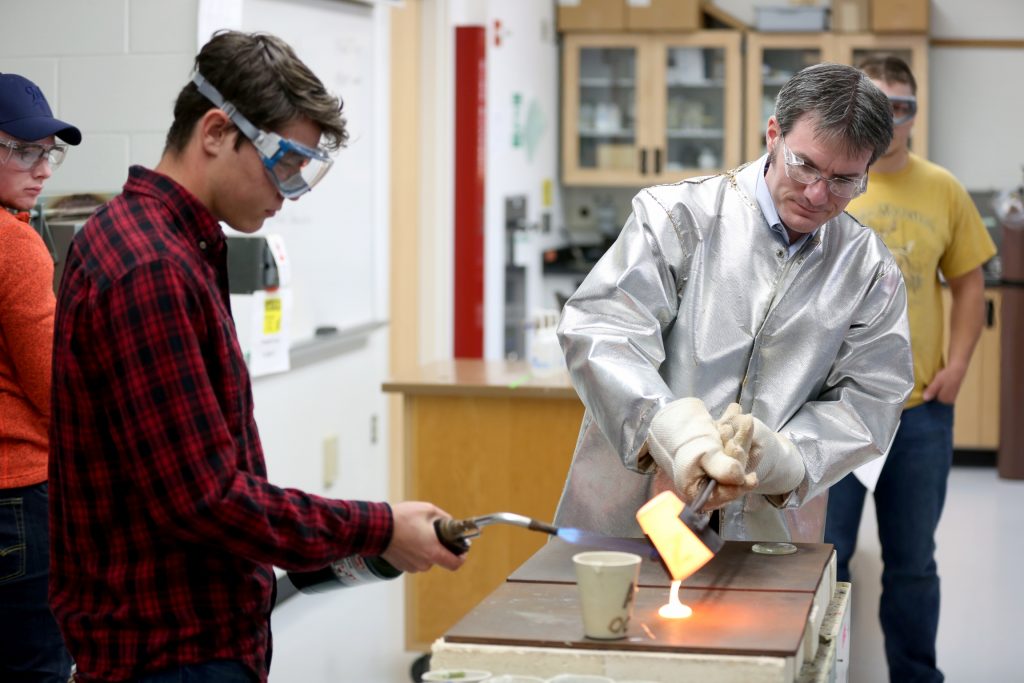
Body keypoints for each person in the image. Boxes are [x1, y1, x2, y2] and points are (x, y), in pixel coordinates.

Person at [47, 31, 464, 683]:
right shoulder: (152, 269)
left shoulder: (154, 242)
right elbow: (203, 498)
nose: (291, 191)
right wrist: (376, 528)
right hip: (169, 656)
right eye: (285, 162)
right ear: (216, 131)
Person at [553, 62, 914, 543]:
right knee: (613, 614)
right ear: (773, 135)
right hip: (633, 509)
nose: (816, 194)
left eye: (844, 180)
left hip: (766, 527)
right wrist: (671, 431)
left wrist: (789, 457)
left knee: (756, 616)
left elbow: (873, 396)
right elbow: (601, 329)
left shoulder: (867, 270)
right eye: (804, 164)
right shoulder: (678, 218)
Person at [824, 56, 996, 683]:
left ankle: (917, 676)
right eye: (881, 102)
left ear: (917, 117)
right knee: (825, 559)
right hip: (833, 413)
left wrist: (959, 365)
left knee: (913, 564)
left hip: (919, 415)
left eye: (905, 107)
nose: (893, 118)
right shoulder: (834, 180)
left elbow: (970, 285)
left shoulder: (943, 189)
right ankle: (821, 672)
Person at [0, 72, 79, 682]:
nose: (43, 168)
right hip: (16, 506)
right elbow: (56, 390)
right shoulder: (16, 245)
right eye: (23, 150)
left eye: (48, 151)